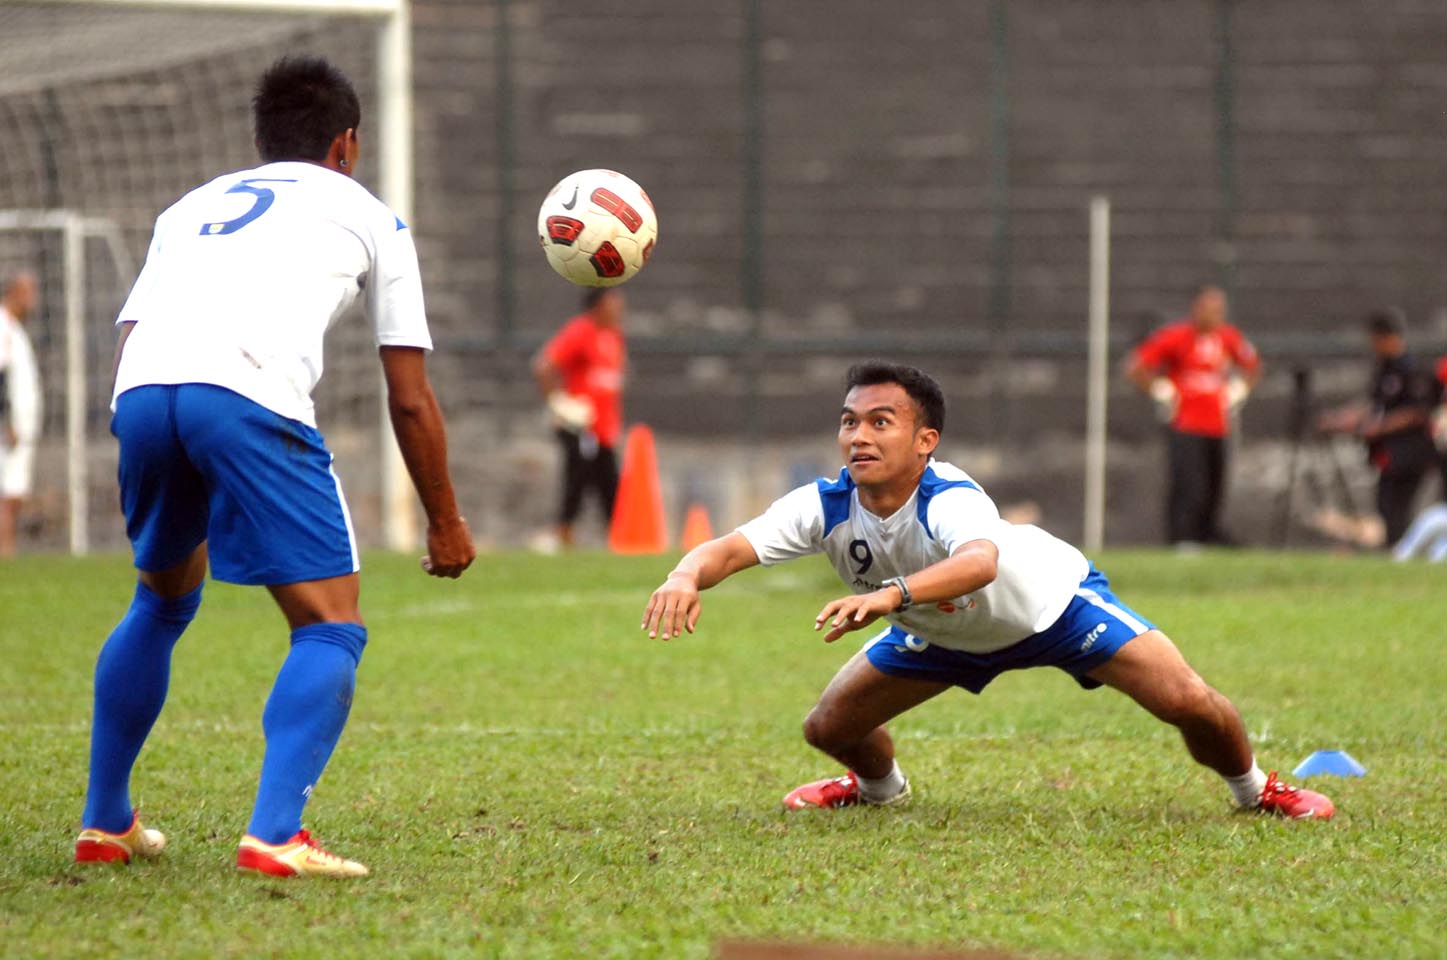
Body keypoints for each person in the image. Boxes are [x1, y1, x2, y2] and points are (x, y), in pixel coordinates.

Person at [73, 56, 476, 878]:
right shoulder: (371, 216)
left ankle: (105, 821)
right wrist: (445, 520)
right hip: (248, 396)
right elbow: (408, 396)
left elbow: (134, 333)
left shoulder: (190, 206)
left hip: (143, 391)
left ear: (262, 142)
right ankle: (276, 833)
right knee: (330, 623)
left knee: (159, 601)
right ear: (347, 145)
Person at [642, 361, 1332, 821]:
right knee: (828, 728)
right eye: (850, 420)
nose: (858, 434)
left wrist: (889, 596)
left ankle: (1255, 791)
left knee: (1188, 702)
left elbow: (978, 562)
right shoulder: (823, 504)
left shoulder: (948, 492)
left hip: (1050, 610)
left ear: (924, 440)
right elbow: (728, 547)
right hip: (940, 633)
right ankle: (879, 792)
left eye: (881, 421)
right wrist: (683, 574)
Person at [1127, 285, 1262, 546]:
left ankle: (1208, 534)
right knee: (1189, 483)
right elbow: (1137, 365)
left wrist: (1240, 390)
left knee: (1214, 484)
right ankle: (1182, 537)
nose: (1214, 316)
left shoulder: (1228, 338)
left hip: (1218, 425)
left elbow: (1253, 366)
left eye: (1219, 311)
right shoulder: (1176, 337)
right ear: (1196, 309)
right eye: (1209, 310)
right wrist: (1159, 389)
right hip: (1185, 423)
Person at [1318, 309, 1441, 547]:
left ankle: (1404, 551)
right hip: (1389, 452)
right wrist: (1341, 420)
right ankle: (1397, 550)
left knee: (1398, 507)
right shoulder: (1385, 368)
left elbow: (1417, 412)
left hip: (1410, 451)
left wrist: (1379, 427)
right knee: (1385, 505)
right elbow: (1374, 404)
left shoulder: (1411, 369)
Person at [532, 287, 626, 547]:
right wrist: (558, 402)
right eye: (613, 302)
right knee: (578, 479)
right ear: (597, 305)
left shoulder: (614, 336)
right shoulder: (581, 330)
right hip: (581, 426)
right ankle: (562, 533)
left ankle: (619, 539)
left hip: (605, 428)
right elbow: (544, 365)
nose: (619, 307)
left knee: (610, 483)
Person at [0, 271, 42, 557]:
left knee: (14, 495)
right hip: (8, 427)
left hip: (21, 425)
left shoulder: (15, 328)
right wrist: (8, 419)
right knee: (6, 494)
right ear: (14, 291)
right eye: (28, 291)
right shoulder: (3, 327)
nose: (33, 299)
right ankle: (5, 553)